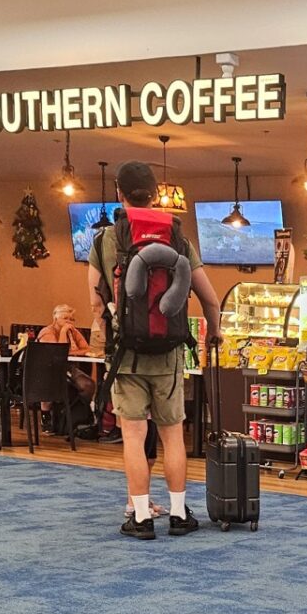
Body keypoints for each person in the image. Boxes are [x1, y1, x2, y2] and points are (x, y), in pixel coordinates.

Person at [89, 160, 222, 541]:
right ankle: (179, 514)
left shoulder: (106, 240)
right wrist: (215, 332)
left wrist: (106, 333)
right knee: (173, 436)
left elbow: (97, 304)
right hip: (168, 353)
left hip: (126, 355)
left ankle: (142, 517)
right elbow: (210, 299)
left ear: (119, 193)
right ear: (155, 193)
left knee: (133, 435)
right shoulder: (178, 238)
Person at [35, 304, 96, 433]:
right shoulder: (47, 332)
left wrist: (72, 352)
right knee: (52, 384)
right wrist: (63, 332)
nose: (69, 322)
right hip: (47, 369)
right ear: (55, 319)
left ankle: (74, 415)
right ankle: (46, 416)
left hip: (68, 367)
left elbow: (87, 349)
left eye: (71, 319)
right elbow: (58, 352)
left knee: (88, 385)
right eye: (65, 318)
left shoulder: (73, 331)